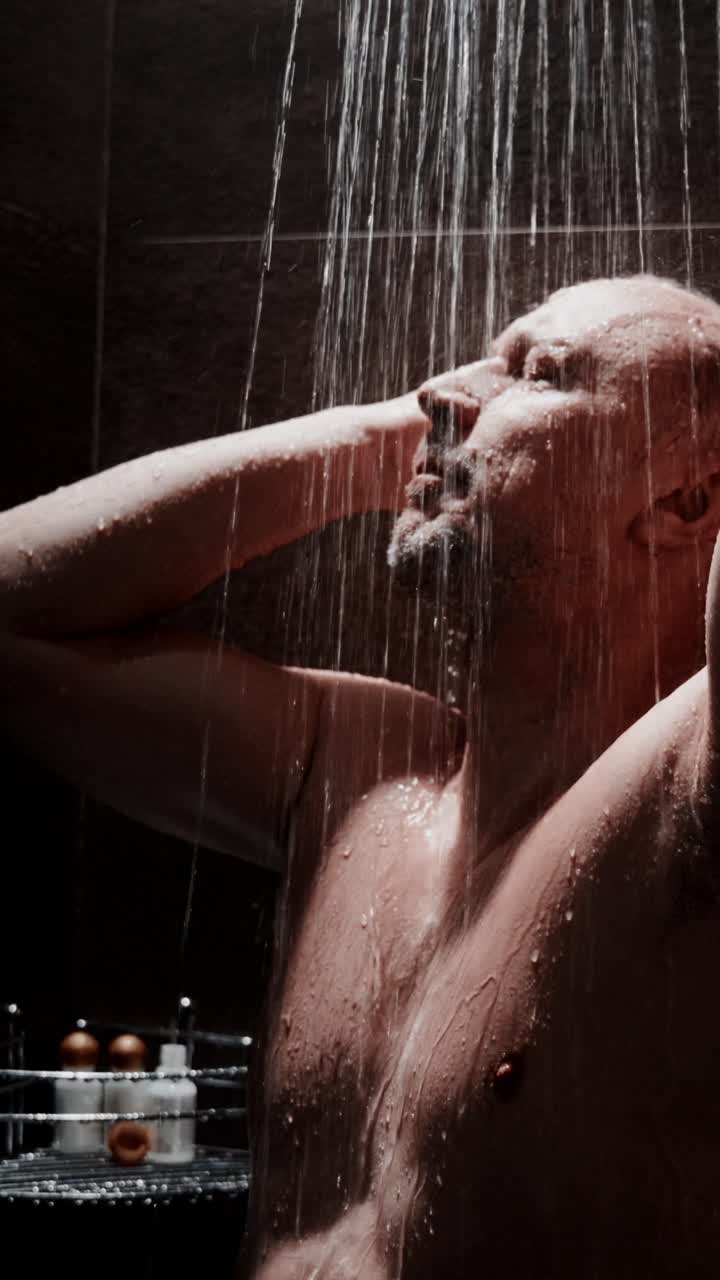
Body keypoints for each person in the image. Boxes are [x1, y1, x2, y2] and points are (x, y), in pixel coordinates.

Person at [2, 273, 720, 1278]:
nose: (441, 392)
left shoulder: (685, 804)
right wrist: (371, 446)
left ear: (687, 500)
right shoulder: (359, 770)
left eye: (542, 373)